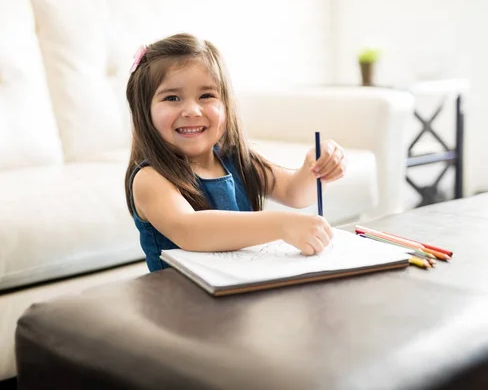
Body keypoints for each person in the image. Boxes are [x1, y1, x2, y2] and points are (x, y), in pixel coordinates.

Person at [125, 33, 346, 272]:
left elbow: (295, 192)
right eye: (172, 98)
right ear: (144, 111)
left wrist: (316, 168)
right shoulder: (150, 179)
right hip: (181, 304)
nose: (192, 110)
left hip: (239, 291)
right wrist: (281, 225)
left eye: (206, 96)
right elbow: (190, 230)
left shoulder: (237, 159)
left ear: (226, 104)